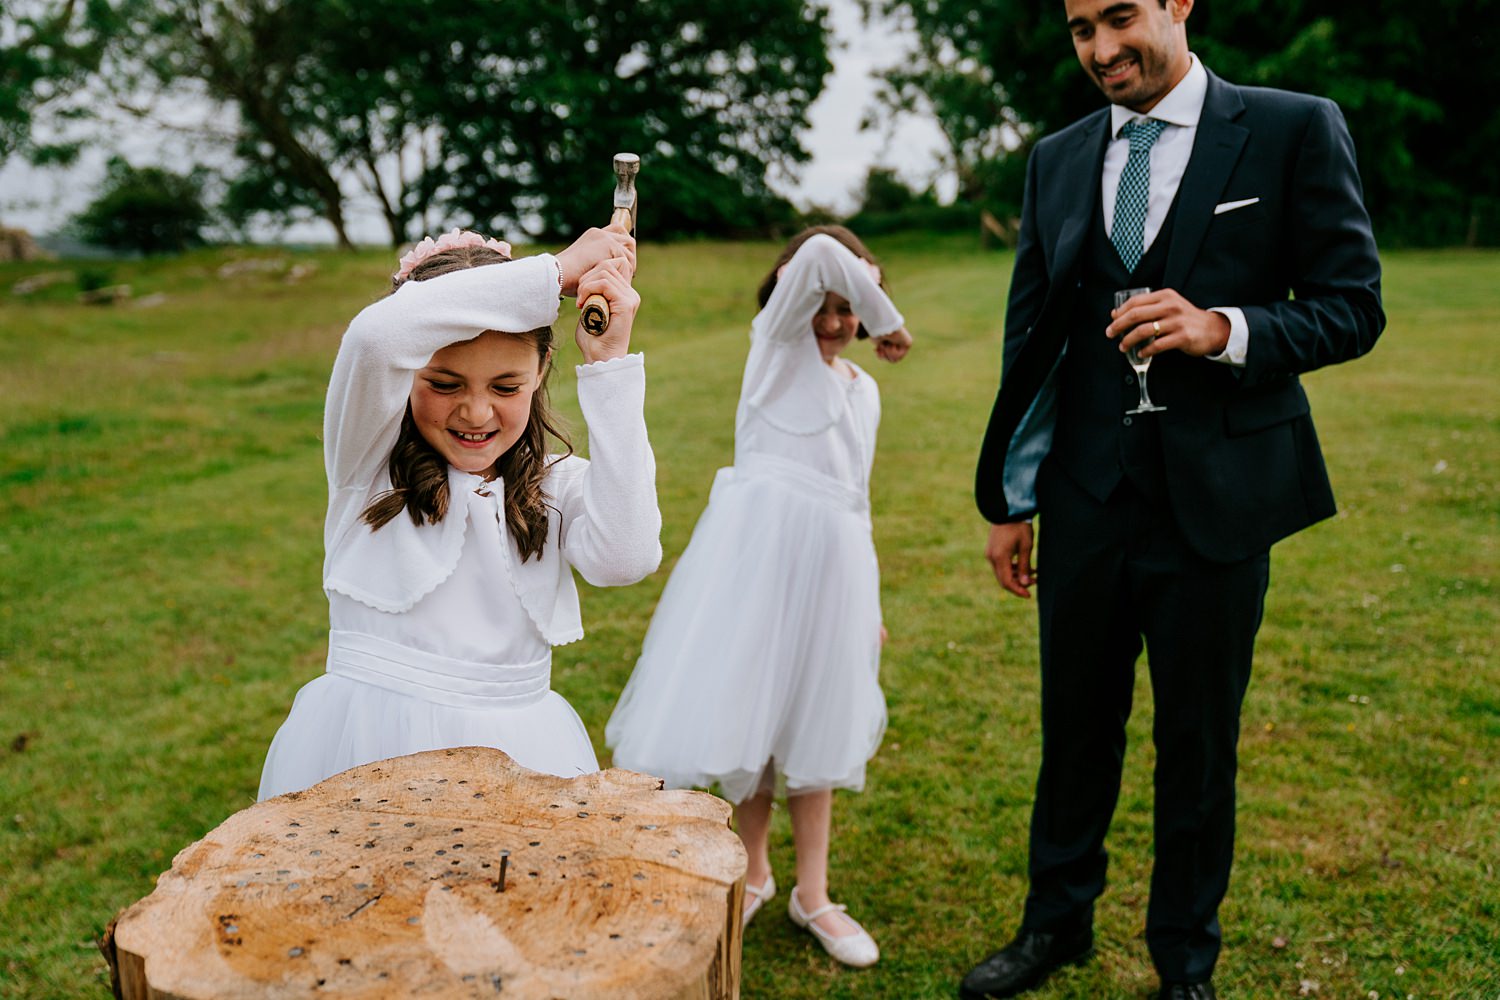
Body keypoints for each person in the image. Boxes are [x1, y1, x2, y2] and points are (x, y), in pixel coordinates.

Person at [963, 1, 1384, 997]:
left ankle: (1184, 961)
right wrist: (1008, 496)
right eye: (1079, 30)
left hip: (1218, 500)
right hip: (1082, 496)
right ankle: (1055, 925)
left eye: (1121, 18)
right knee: (1073, 730)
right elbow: (1034, 342)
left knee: (1197, 744)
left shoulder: (1291, 126)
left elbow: (1354, 305)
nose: (1102, 49)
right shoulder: (1055, 158)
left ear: (1178, 3)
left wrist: (1223, 329)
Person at [258, 226, 660, 800]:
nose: (476, 411)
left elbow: (628, 556)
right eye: (444, 383)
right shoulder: (367, 465)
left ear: (541, 369)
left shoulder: (553, 484)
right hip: (367, 749)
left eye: (505, 385)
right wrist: (556, 273)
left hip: (523, 754)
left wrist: (610, 366)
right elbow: (376, 335)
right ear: (407, 373)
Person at [606, 227, 913, 968]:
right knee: (754, 717)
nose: (839, 321)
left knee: (816, 722)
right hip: (759, 568)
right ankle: (753, 872)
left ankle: (815, 891)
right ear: (792, 300)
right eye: (827, 305)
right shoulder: (774, 350)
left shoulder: (862, 389)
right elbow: (817, 257)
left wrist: (866, 607)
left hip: (835, 569)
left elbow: (858, 502)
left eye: (853, 309)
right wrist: (890, 314)